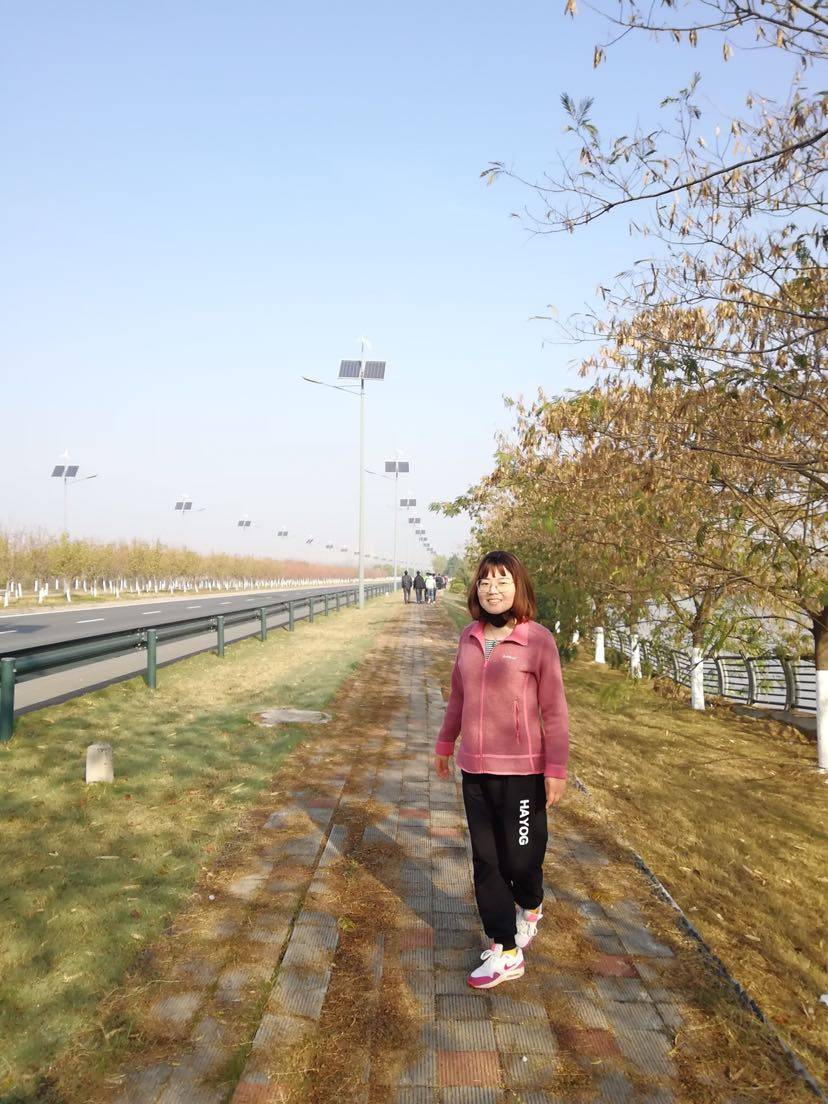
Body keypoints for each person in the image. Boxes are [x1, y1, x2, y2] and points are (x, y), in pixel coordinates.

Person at [433, 550, 569, 990]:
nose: (492, 589)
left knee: (521, 859)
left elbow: (555, 710)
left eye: (502, 581)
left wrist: (556, 767)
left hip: (523, 774)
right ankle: (505, 949)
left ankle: (531, 904)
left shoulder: (538, 640)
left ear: (518, 587)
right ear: (476, 589)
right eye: (485, 581)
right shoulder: (468, 637)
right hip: (475, 771)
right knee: (487, 861)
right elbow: (458, 697)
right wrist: (445, 743)